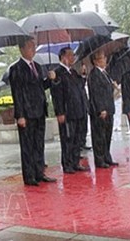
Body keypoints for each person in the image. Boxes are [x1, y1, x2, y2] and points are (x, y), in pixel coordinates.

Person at [9, 37, 57, 186]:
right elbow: (17, 93)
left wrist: (50, 80)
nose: (33, 49)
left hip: (39, 110)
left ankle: (39, 171)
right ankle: (29, 176)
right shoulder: (16, 69)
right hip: (27, 113)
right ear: (22, 49)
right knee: (28, 146)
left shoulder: (37, 66)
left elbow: (40, 87)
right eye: (30, 47)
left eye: (34, 46)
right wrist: (20, 115)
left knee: (39, 144)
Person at [50, 46, 90, 174]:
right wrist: (60, 112)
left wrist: (83, 75)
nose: (73, 58)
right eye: (70, 55)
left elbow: (79, 87)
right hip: (67, 112)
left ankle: (75, 161)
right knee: (68, 138)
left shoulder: (73, 72)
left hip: (78, 110)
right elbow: (57, 94)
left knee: (77, 138)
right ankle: (67, 163)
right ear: (63, 57)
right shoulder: (58, 73)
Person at [87, 51, 119, 168]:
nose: (104, 60)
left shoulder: (105, 73)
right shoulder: (94, 74)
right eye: (101, 58)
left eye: (104, 58)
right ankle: (99, 159)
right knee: (99, 135)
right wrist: (101, 109)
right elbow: (96, 94)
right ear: (95, 61)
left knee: (107, 134)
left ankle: (107, 156)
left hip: (109, 107)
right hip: (100, 110)